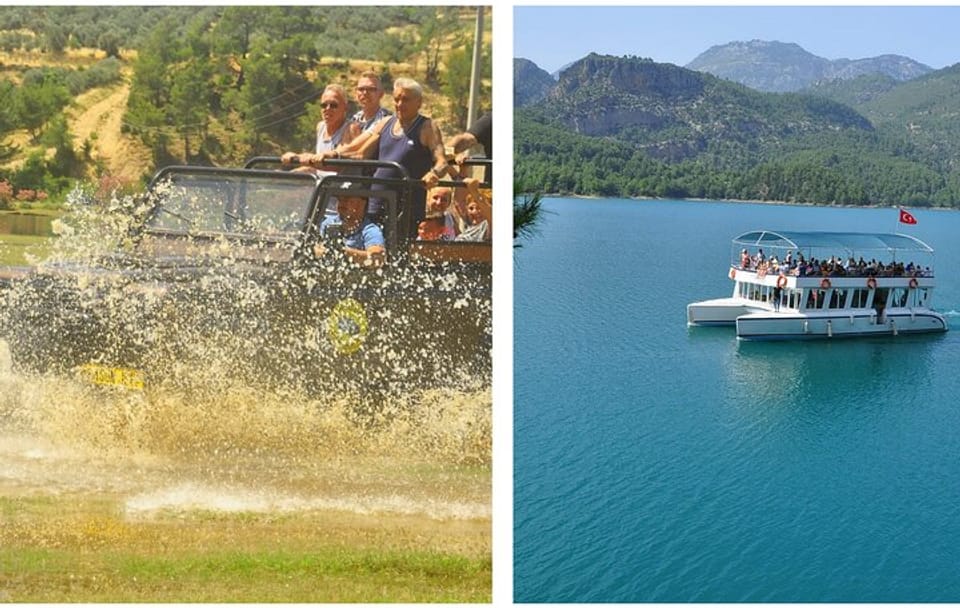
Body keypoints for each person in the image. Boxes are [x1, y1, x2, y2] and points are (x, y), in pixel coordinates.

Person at [314, 77, 451, 231]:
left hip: (406, 209)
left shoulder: (427, 127)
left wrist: (434, 174)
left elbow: (442, 161)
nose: (399, 104)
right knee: (371, 247)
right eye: (397, 99)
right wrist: (332, 154)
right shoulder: (386, 122)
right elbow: (359, 150)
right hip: (375, 204)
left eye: (405, 100)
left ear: (418, 102)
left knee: (395, 251)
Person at [281, 84, 357, 170]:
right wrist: (295, 160)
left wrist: (306, 158)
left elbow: (340, 165)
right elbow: (318, 168)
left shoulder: (350, 129)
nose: (327, 109)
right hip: (322, 182)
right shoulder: (321, 127)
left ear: (345, 108)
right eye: (324, 105)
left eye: (333, 105)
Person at [316, 194, 385, 268]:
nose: (341, 204)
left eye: (346, 199)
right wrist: (318, 251)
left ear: (362, 204)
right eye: (339, 200)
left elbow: (377, 259)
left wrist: (342, 252)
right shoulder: (327, 223)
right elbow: (316, 246)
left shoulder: (371, 230)